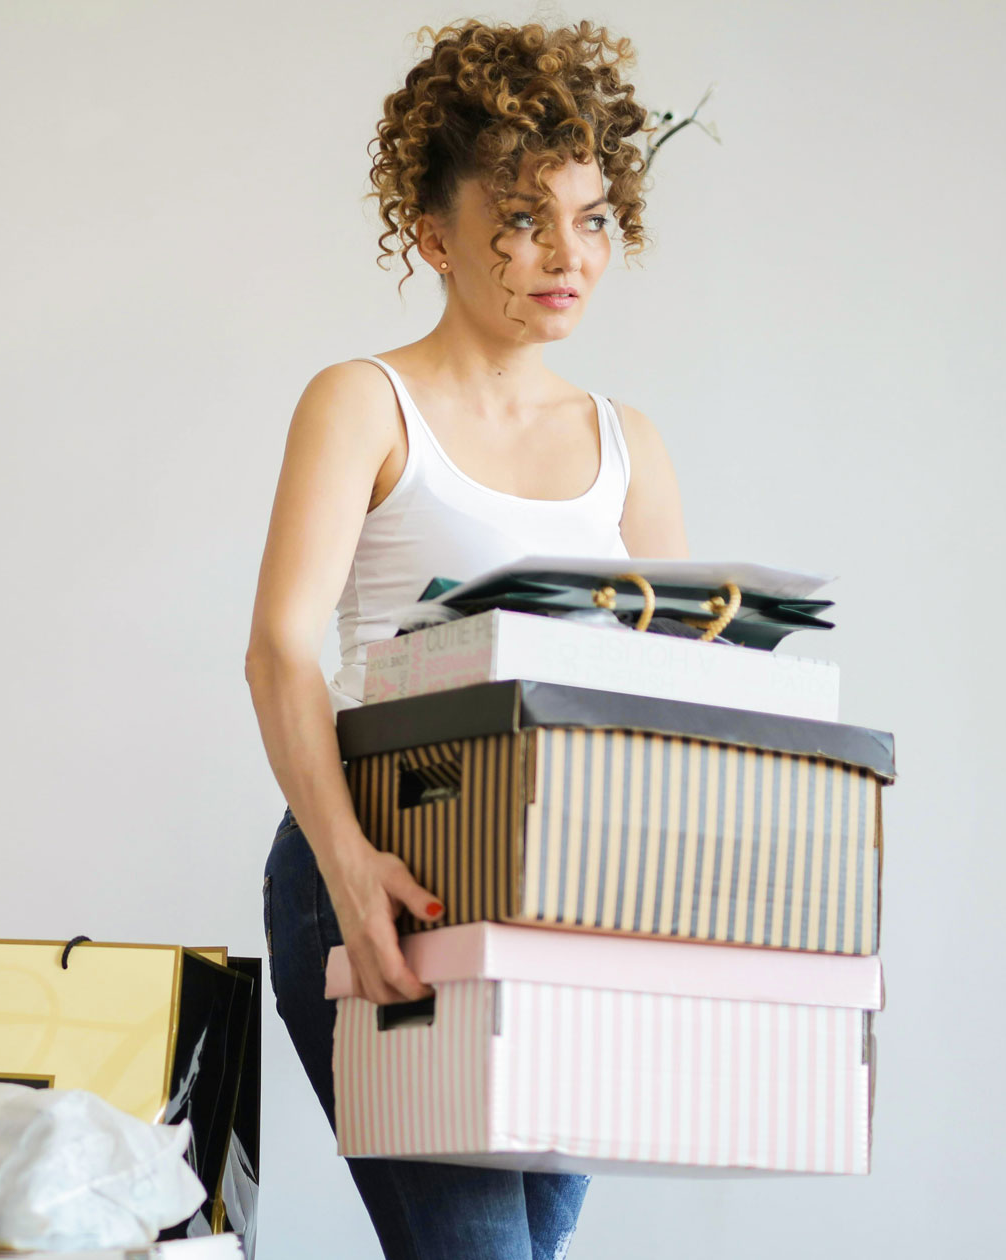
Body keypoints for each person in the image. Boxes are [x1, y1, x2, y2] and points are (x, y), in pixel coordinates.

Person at [244, 18, 689, 1260]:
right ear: (433, 235)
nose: (568, 254)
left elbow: (663, 697)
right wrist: (345, 871)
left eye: (590, 218)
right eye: (522, 218)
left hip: (567, 900)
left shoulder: (628, 444)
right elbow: (278, 651)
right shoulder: (362, 402)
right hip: (386, 868)